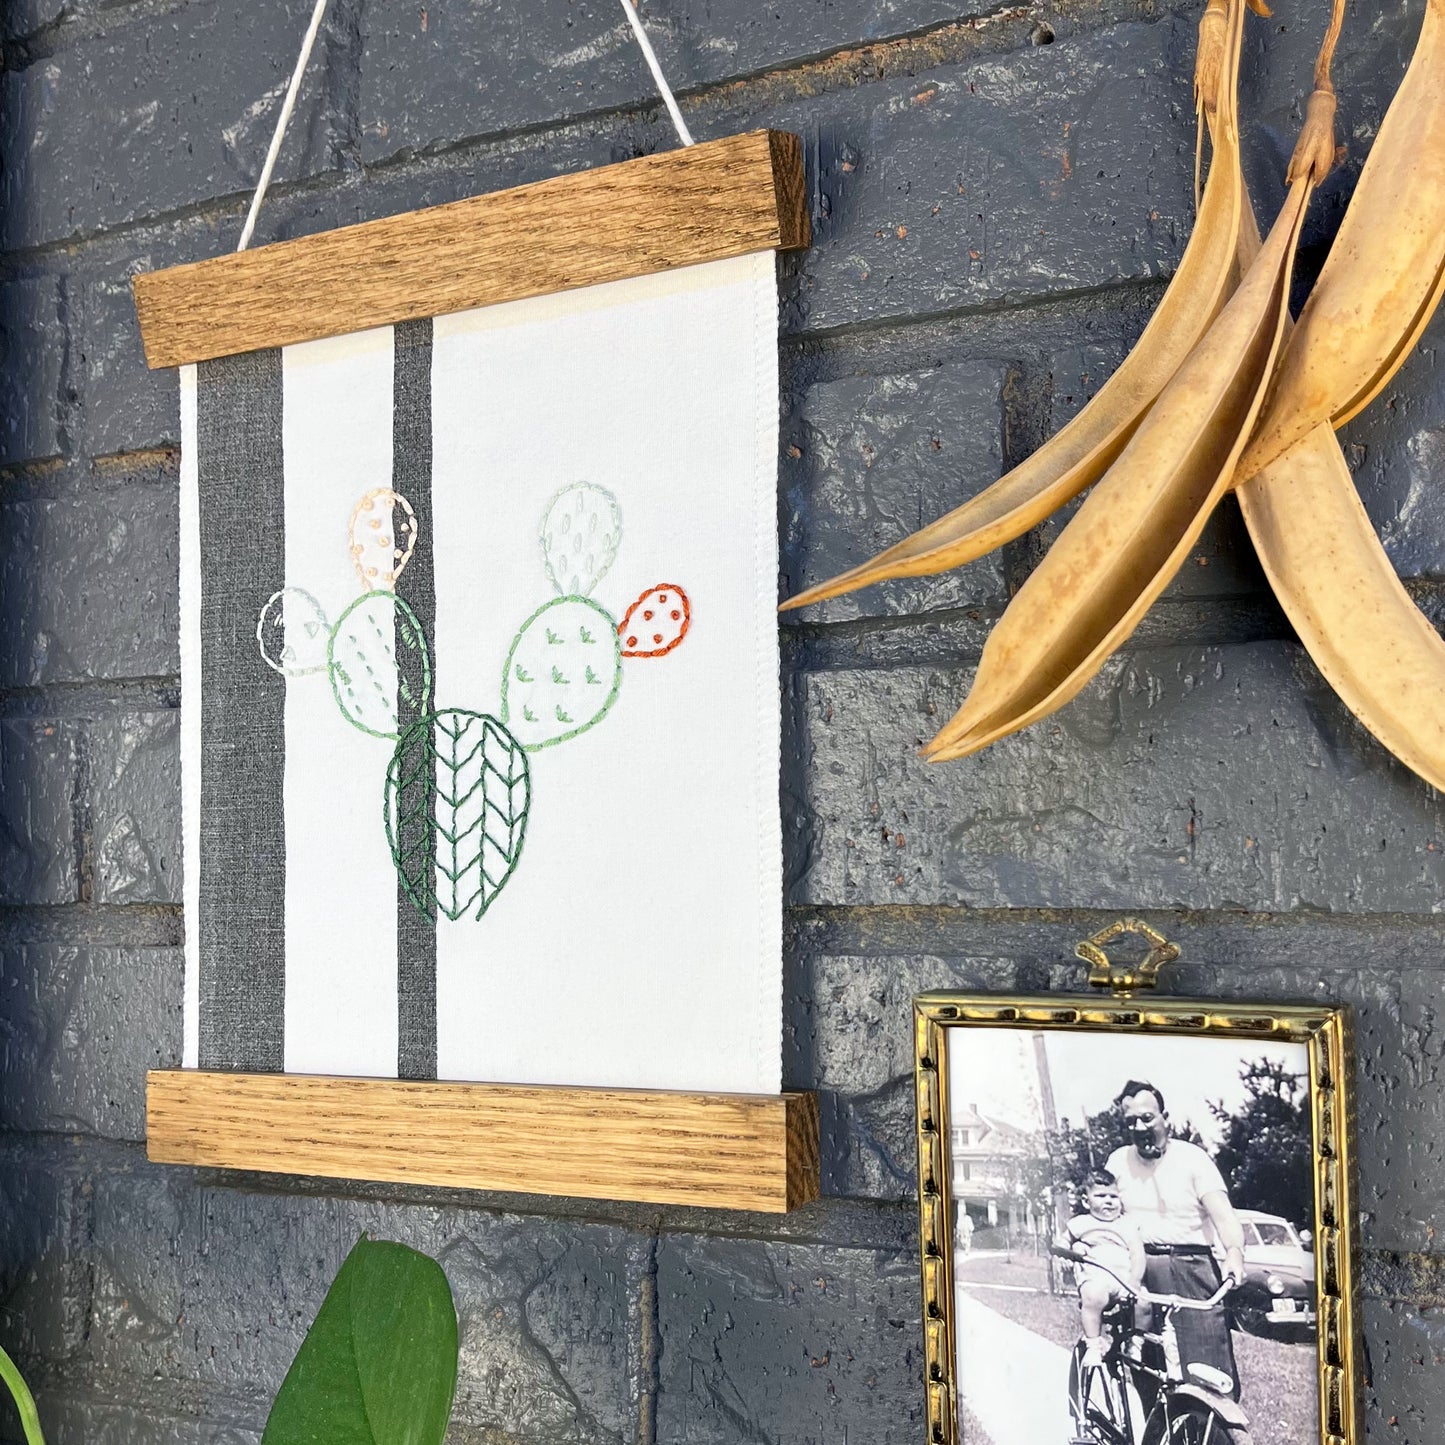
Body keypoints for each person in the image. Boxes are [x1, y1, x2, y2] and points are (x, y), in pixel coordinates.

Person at [1105, 1080, 1246, 1398]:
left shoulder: (1193, 1159)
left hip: (1191, 1270)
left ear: (1164, 1117)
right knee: (1147, 1372)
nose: (1140, 1127)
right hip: (1139, 1272)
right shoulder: (1117, 1162)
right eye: (1131, 1122)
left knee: (1208, 1371)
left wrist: (1235, 1252)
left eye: (1147, 1118)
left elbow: (1224, 1216)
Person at [1060, 1169, 1145, 1368]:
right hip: (1096, 1277)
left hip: (1125, 1279)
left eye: (1113, 1196)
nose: (1108, 1201)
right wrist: (1068, 1252)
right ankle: (1093, 1345)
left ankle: (1135, 1342)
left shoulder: (1127, 1225)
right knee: (1093, 1296)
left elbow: (1138, 1254)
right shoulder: (1080, 1223)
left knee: (1144, 1303)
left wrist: (1135, 1281)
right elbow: (1061, 1243)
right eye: (1100, 1196)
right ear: (1085, 1200)